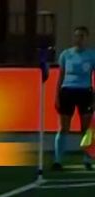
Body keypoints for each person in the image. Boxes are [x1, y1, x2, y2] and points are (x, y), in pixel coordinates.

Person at [55, 26, 95, 171]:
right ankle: (58, 160)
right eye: (77, 36)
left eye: (82, 36)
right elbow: (60, 76)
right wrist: (57, 95)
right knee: (63, 128)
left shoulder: (92, 55)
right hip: (67, 92)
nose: (79, 39)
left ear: (86, 38)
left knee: (86, 128)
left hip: (85, 92)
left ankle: (87, 158)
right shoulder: (66, 54)